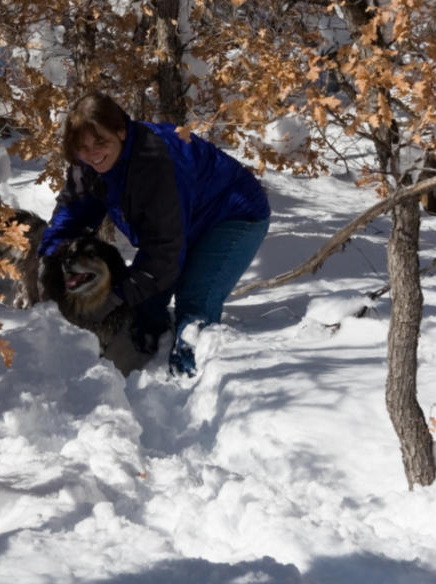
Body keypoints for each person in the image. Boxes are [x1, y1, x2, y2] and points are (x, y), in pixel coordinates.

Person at [39, 92, 270, 376]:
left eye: (101, 142)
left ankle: (190, 378)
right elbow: (72, 214)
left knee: (194, 296)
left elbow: (164, 253)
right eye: (82, 147)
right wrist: (49, 260)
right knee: (147, 302)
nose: (92, 153)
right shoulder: (87, 166)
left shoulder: (153, 162)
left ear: (121, 131)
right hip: (182, 223)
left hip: (232, 214)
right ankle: (149, 351)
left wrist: (115, 297)